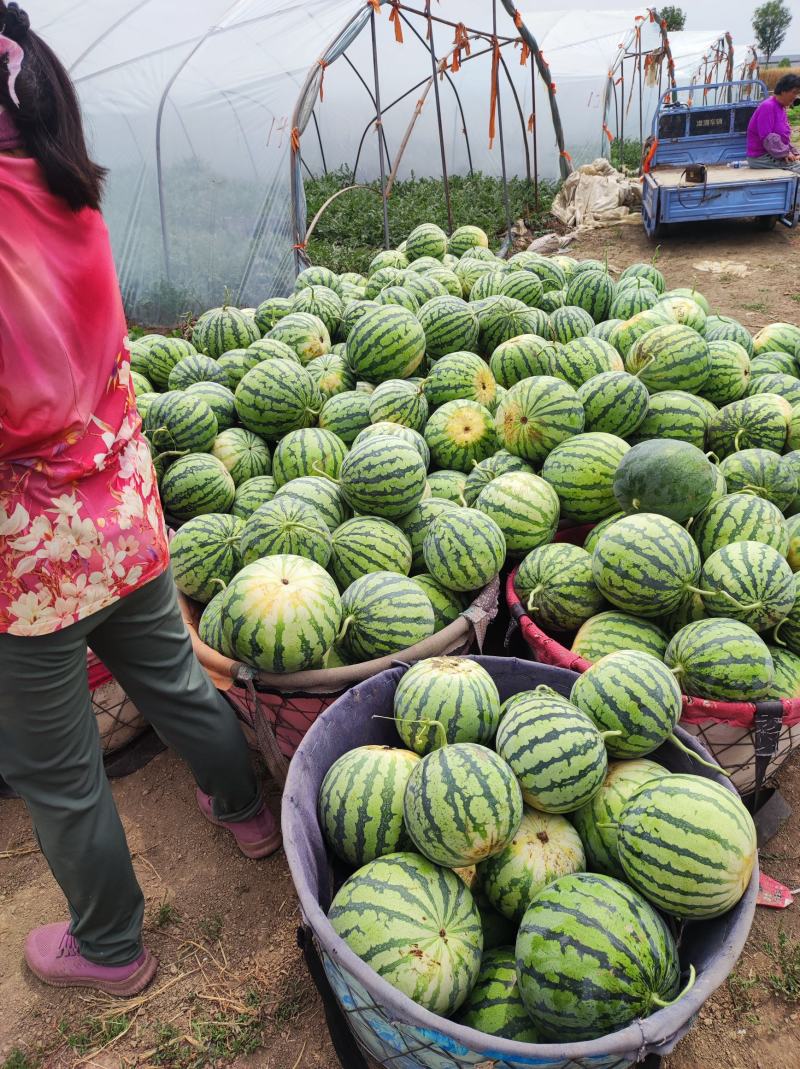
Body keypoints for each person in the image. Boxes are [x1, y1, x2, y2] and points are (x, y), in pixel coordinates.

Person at [0, 2, 281, 999]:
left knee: (59, 771)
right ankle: (245, 810)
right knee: (170, 683)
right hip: (124, 508)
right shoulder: (67, 191)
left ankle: (110, 946)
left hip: (31, 559)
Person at [747, 74, 800, 174]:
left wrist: (793, 152)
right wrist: (785, 153)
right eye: (794, 93)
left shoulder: (781, 107)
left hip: (773, 153)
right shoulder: (768, 106)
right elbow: (768, 138)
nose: (795, 97)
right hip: (761, 157)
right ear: (783, 91)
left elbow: (782, 137)